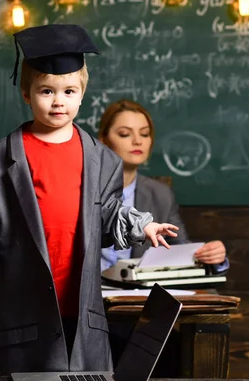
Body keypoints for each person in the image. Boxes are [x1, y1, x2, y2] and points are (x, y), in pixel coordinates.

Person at [0, 24, 179, 375]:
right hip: (24, 321)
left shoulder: (104, 161)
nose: (58, 101)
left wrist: (143, 225)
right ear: (26, 92)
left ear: (82, 93)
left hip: (82, 316)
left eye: (69, 90)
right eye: (46, 91)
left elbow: (109, 212)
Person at [97, 99, 229, 273]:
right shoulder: (82, 189)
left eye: (144, 134)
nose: (137, 141)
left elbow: (180, 248)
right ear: (104, 140)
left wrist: (213, 256)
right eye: (124, 134)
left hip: (134, 292)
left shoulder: (160, 194)